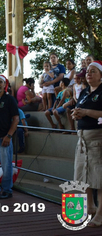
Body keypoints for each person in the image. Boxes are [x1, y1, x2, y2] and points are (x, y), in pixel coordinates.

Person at [72, 60, 102, 227]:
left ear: (101, 76)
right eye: (87, 71)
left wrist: (86, 112)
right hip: (82, 139)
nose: (89, 74)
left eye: (93, 71)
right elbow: (79, 109)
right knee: (84, 175)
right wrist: (76, 114)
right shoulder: (84, 92)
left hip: (98, 139)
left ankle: (100, 213)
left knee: (99, 178)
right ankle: (89, 207)